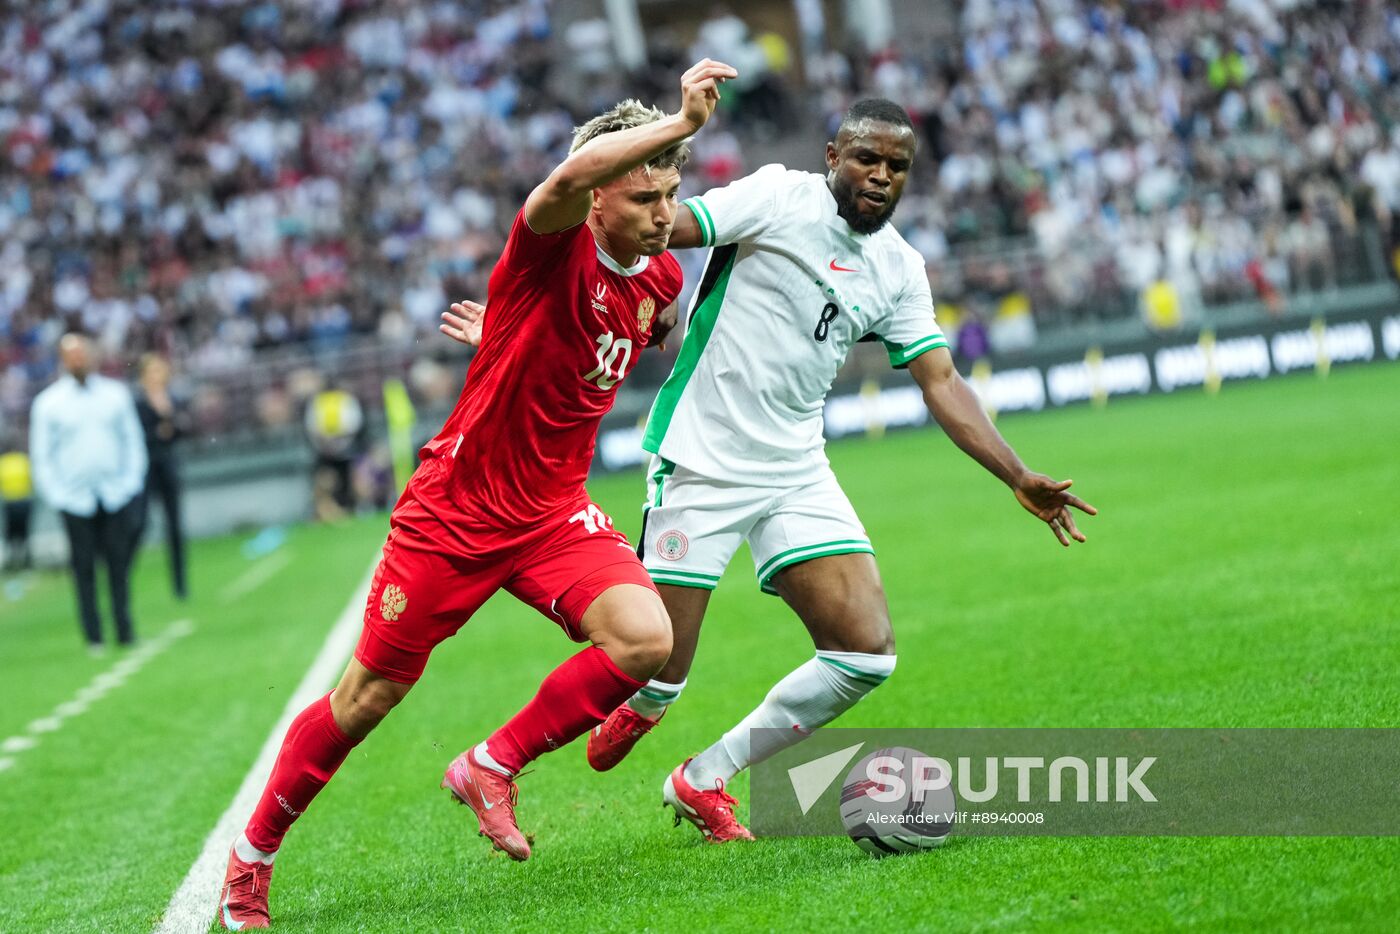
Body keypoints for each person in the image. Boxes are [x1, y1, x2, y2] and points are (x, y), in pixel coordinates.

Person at [442, 98, 1096, 844]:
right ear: (832, 157)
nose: (881, 176)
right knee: (658, 668)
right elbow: (648, 228)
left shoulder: (899, 268)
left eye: (897, 167)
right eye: (866, 159)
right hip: (701, 460)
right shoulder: (778, 196)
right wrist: (535, 324)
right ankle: (628, 711)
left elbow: (941, 381)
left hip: (795, 467)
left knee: (863, 654)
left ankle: (704, 778)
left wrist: (1015, 474)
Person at [216, 58, 736, 930]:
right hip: (454, 512)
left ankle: (490, 764)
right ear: (603, 196)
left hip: (551, 513)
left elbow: (578, 353)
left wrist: (506, 340)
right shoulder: (551, 238)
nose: (665, 215)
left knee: (645, 640)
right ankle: (252, 857)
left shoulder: (660, 281)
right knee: (366, 700)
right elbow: (565, 179)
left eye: (672, 194)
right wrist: (680, 123)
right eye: (646, 197)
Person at [29, 333, 148, 651]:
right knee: (83, 568)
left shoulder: (115, 395)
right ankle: (93, 635)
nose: (78, 360)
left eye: (82, 353)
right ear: (63, 360)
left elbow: (132, 442)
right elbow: (42, 455)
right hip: (74, 498)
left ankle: (124, 628)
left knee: (119, 563)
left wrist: (129, 483)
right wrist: (57, 495)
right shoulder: (48, 403)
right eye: (72, 355)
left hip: (114, 493)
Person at [134, 354, 189, 598]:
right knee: (138, 524)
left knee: (175, 526)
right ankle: (125, 578)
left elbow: (180, 431)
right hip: (146, 468)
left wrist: (166, 422)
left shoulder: (172, 400)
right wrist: (161, 430)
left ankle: (180, 585)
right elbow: (142, 435)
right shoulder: (138, 402)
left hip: (168, 465)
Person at [304, 379, 365, 521]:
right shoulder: (340, 400)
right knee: (326, 483)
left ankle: (349, 509)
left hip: (338, 449)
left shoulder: (324, 402)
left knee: (347, 482)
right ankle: (327, 512)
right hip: (329, 450)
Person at [0, 439, 33, 571]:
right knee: (24, 532)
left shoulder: (3, 463)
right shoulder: (23, 460)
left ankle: (13, 559)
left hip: (10, 503)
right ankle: (25, 558)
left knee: (11, 533)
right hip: (24, 501)